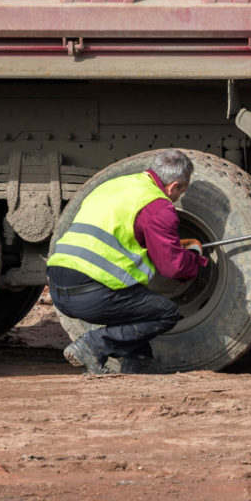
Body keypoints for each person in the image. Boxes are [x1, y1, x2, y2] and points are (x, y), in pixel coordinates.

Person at [46, 149, 208, 375]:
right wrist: (194, 259)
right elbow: (172, 267)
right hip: (89, 294)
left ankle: (138, 360)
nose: (178, 196)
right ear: (173, 186)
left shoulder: (116, 185)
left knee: (135, 297)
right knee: (166, 313)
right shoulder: (158, 206)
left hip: (58, 287)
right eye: (182, 191)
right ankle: (94, 345)